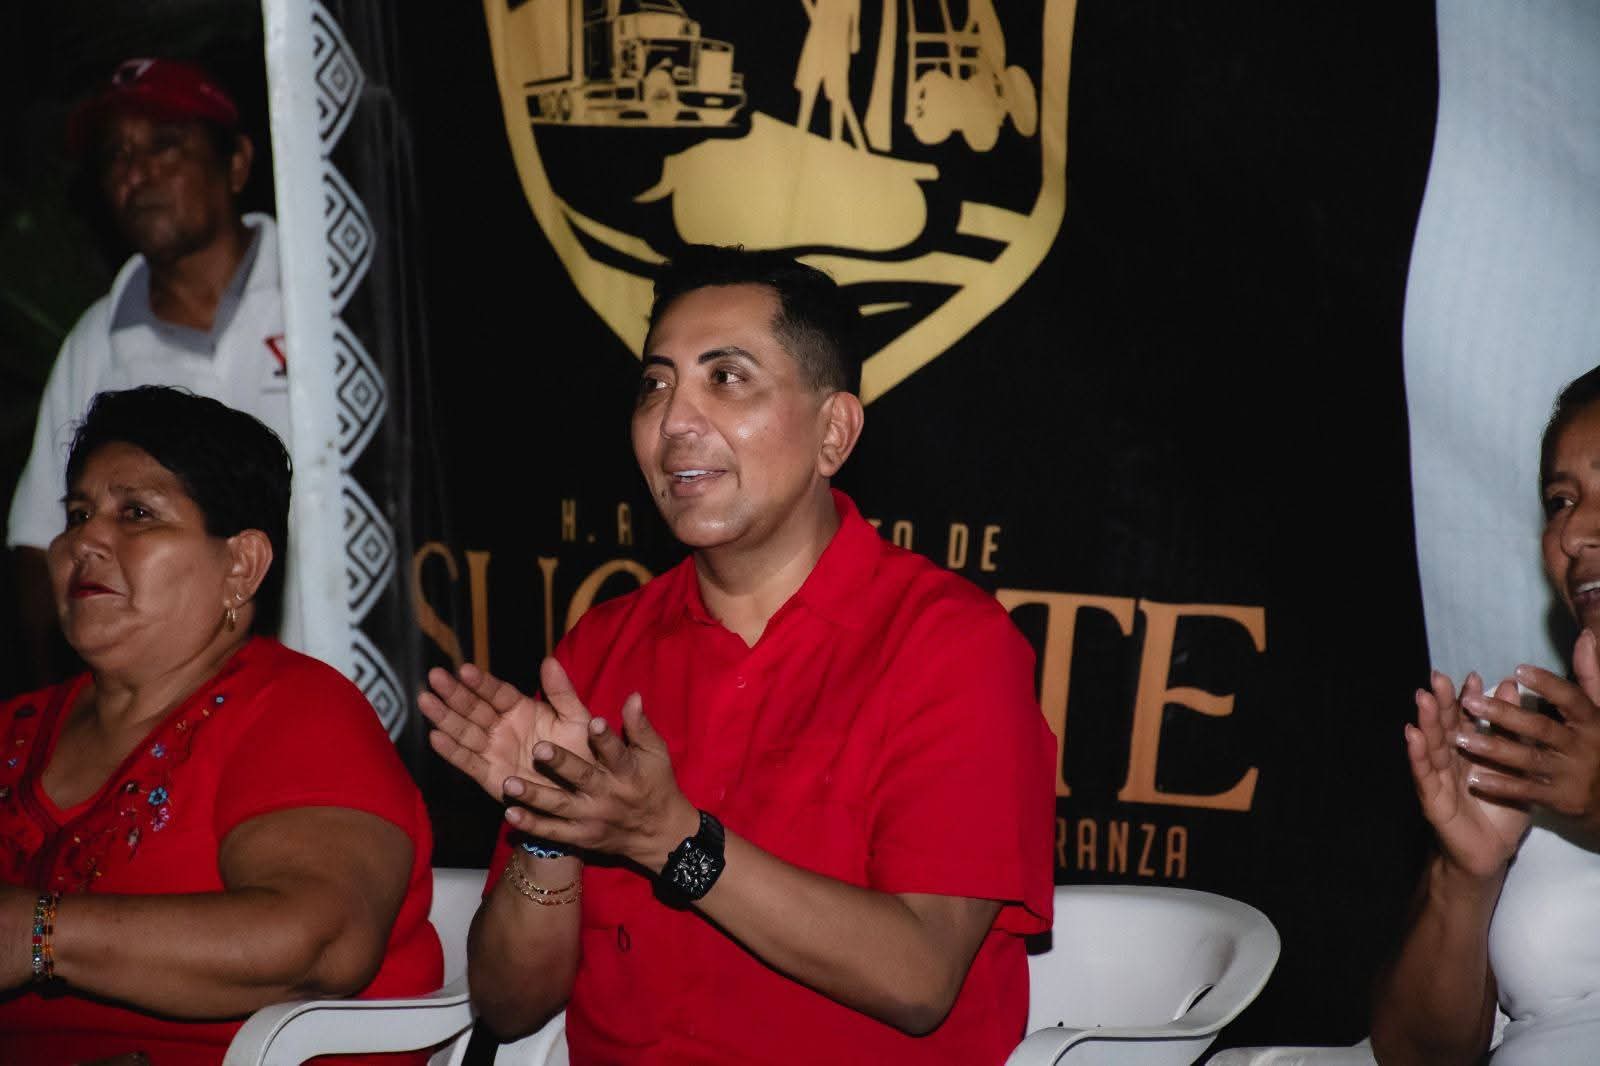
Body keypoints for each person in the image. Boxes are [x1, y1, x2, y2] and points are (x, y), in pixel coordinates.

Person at [419, 245, 1056, 1063]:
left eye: (726, 378)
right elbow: (509, 1007)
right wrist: (551, 832)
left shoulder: (950, 646)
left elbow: (920, 978)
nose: (674, 422)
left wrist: (671, 840)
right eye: (655, 385)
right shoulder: (603, 647)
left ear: (833, 432)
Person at [0, 387, 440, 1065]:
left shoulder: (296, 712)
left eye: (137, 513)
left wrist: (40, 934)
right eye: (78, 513)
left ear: (241, 566)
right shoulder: (17, 728)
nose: (84, 539)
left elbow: (322, 941)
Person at [7, 57, 292, 688]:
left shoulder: (324, 304)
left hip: (336, 681)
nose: (136, 173)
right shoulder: (96, 344)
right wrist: (60, 711)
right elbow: (38, 544)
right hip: (157, 717)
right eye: (116, 155)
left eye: (165, 145)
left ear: (237, 163)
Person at [1373, 366, 1600, 1064]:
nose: (1573, 532)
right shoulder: (1534, 744)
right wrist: (1465, 875)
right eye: (1560, 500)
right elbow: (1414, 1056)